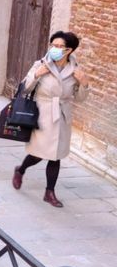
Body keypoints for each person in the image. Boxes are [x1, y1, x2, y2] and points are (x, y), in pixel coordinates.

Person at [11, 31, 89, 207]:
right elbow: (24, 89)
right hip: (42, 114)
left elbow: (80, 98)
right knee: (38, 153)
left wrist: (84, 83)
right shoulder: (41, 64)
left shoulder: (75, 70)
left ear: (69, 50)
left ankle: (49, 192)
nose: (55, 49)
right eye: (53, 45)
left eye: (59, 46)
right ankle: (21, 170)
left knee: (55, 156)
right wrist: (37, 74)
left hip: (62, 115)